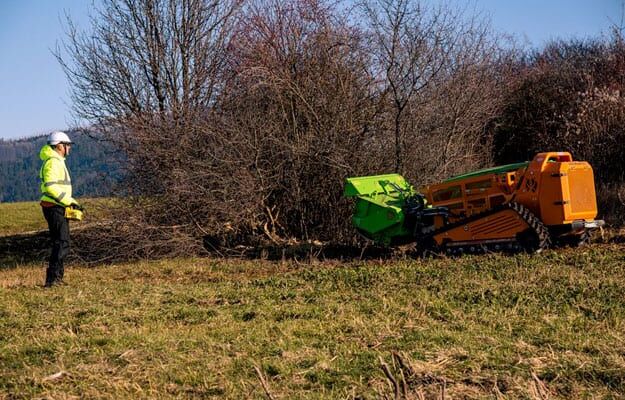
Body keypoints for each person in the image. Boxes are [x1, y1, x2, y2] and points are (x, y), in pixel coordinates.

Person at [39, 131, 82, 287]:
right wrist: (68, 201)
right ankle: (53, 280)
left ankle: (57, 278)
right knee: (61, 242)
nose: (69, 148)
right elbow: (50, 188)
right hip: (54, 207)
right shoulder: (53, 162)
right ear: (59, 146)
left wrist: (70, 203)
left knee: (61, 242)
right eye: (67, 145)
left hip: (58, 206)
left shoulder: (57, 161)